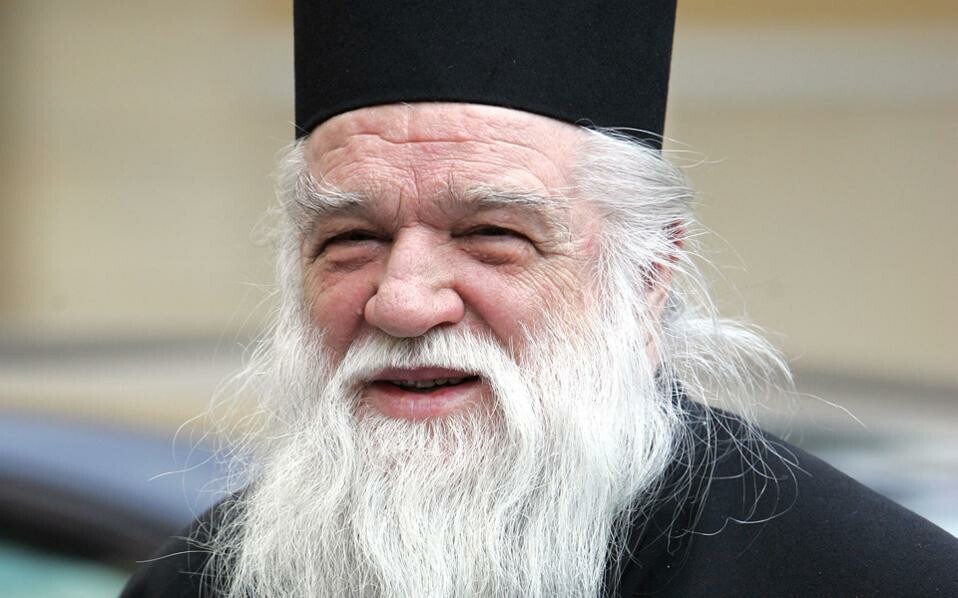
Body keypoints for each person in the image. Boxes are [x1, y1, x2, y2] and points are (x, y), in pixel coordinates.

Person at [123, 1, 957, 596]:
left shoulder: (882, 581)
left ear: (647, 276)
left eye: (491, 233)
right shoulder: (197, 583)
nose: (403, 304)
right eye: (352, 239)